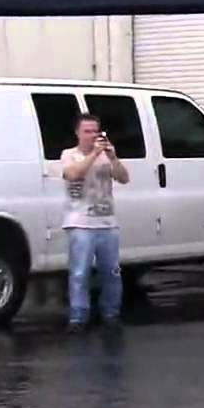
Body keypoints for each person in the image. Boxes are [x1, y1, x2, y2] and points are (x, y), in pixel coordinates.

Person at [60, 113, 130, 333]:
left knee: (111, 271)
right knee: (80, 272)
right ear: (78, 133)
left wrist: (113, 158)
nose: (92, 135)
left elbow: (124, 177)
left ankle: (111, 312)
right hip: (80, 221)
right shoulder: (69, 155)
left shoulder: (105, 156)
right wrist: (94, 153)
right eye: (87, 131)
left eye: (95, 131)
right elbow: (73, 174)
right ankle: (78, 316)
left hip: (107, 221)